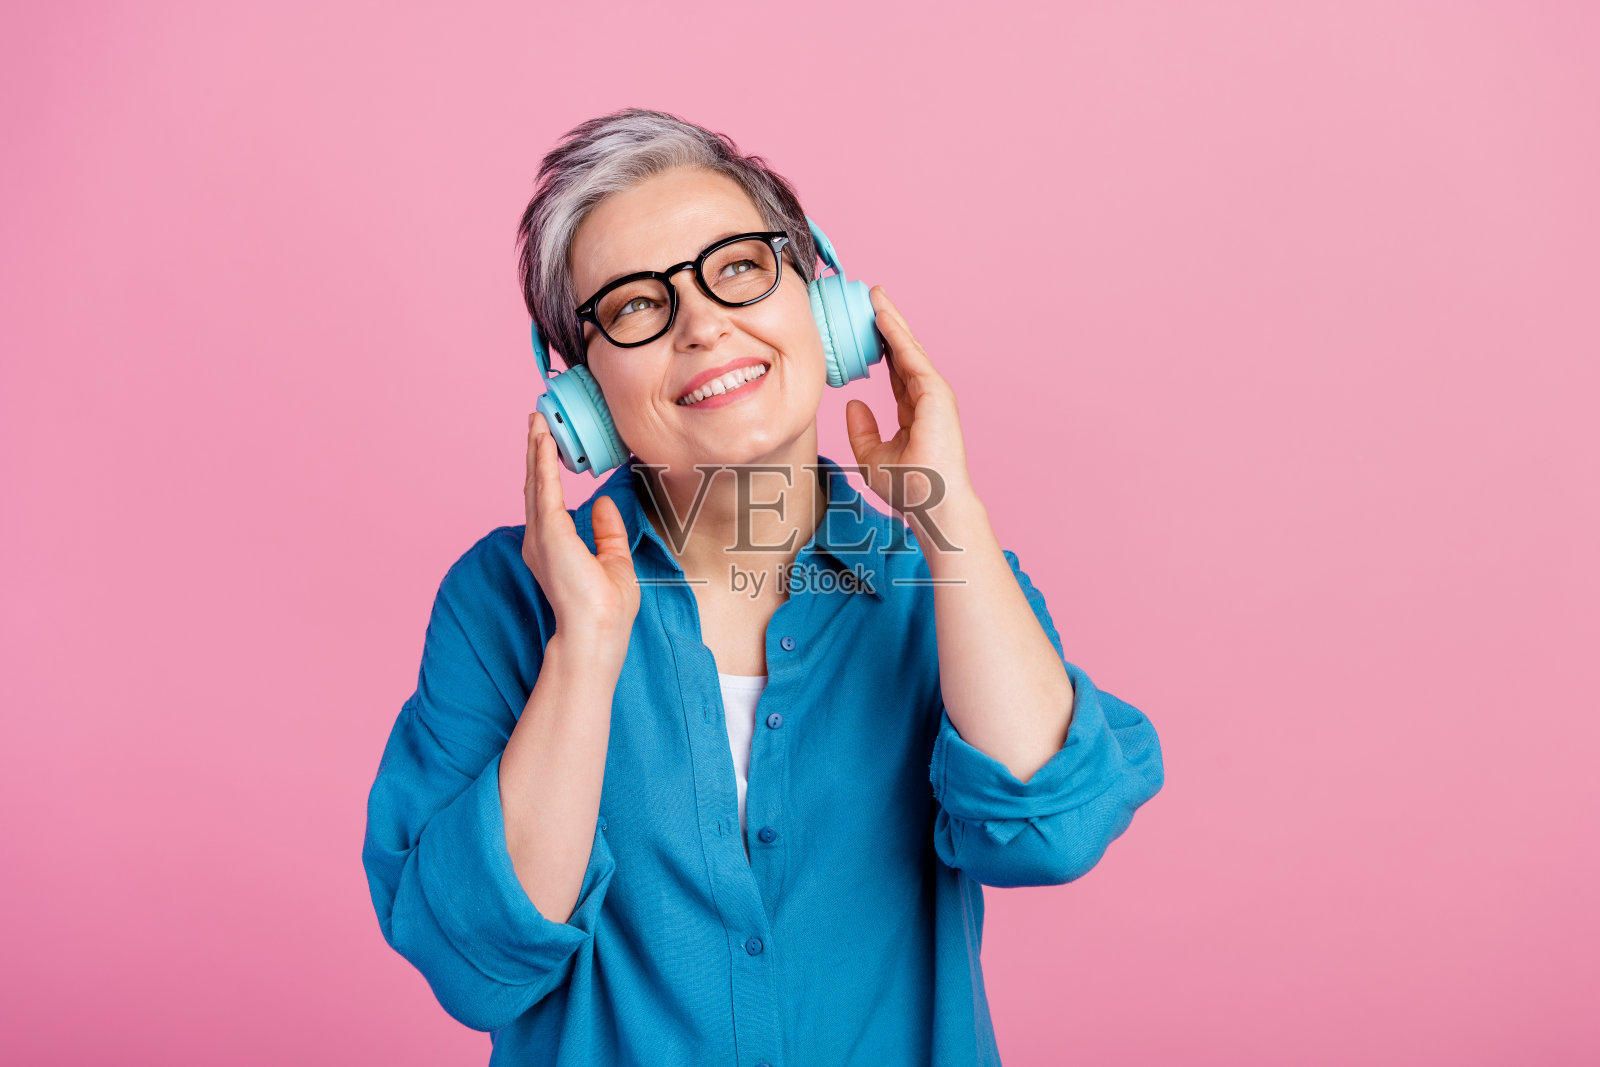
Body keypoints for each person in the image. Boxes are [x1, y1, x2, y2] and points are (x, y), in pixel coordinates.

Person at [361, 106, 1165, 1066]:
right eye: (634, 305)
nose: (702, 324)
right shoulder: (502, 605)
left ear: (823, 305)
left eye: (739, 266)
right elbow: (477, 963)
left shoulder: (941, 579)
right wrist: (583, 651)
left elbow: (1052, 832)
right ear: (583, 396)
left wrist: (944, 510)